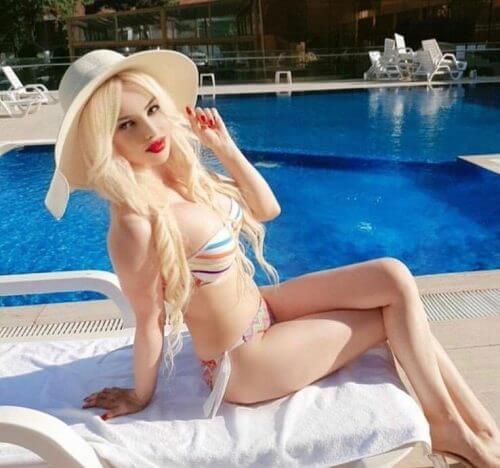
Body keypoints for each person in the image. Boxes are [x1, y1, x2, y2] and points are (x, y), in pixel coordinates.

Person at [45, 49, 500, 468]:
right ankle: (453, 427)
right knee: (393, 317)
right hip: (244, 362)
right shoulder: (134, 223)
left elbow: (267, 209)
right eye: (126, 125)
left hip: (265, 308)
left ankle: (478, 428)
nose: (150, 131)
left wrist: (224, 148)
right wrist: (140, 396)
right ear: (105, 140)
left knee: (393, 277)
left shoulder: (178, 176)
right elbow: (149, 321)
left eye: (151, 110)